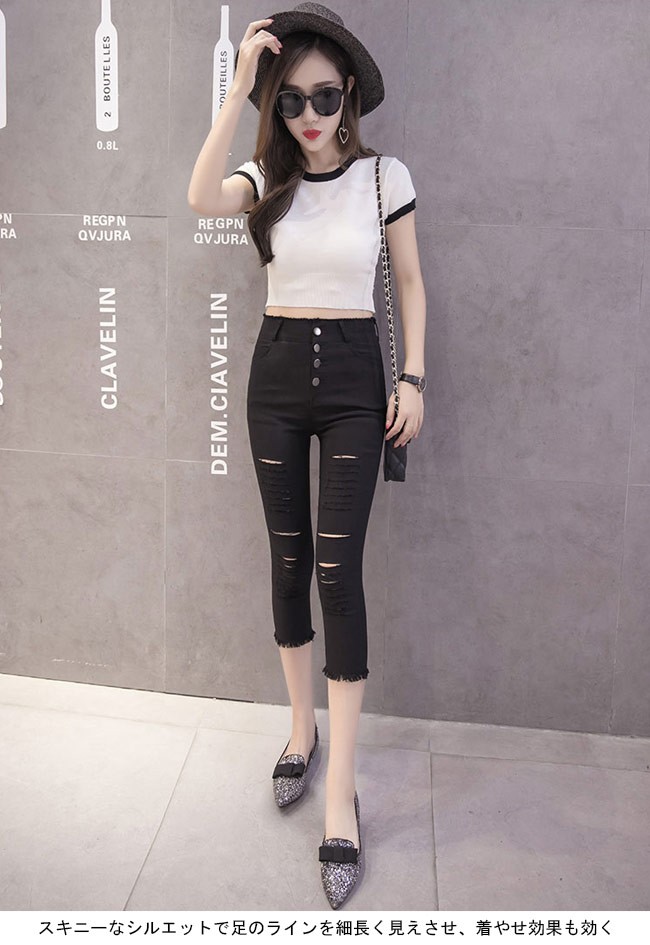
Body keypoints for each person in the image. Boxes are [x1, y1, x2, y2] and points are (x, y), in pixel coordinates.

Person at [187, 2, 426, 910]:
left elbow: (410, 282)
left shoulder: (384, 176)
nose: (311, 115)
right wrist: (238, 89)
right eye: (290, 101)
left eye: (325, 96)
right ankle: (300, 731)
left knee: (337, 571)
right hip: (278, 376)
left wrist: (414, 379)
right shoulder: (267, 177)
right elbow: (200, 196)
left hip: (359, 376)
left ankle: (340, 796)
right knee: (288, 560)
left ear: (350, 93)